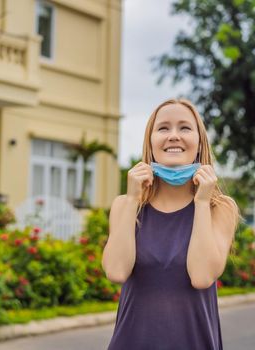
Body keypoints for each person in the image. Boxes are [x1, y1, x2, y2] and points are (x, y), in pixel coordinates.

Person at [102, 98, 240, 350]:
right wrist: (133, 197)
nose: (173, 136)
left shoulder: (220, 208)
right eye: (163, 128)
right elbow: (116, 272)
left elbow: (201, 276)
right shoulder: (125, 205)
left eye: (184, 128)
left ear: (199, 143)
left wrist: (200, 202)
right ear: (151, 142)